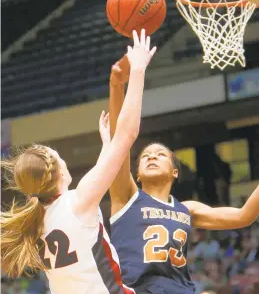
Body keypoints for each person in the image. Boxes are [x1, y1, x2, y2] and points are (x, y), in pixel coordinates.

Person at [1, 30, 156, 294]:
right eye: (60, 157)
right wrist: (139, 70)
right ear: (57, 173)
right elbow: (128, 134)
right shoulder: (77, 201)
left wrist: (107, 148)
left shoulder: (36, 220)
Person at [101, 59, 259, 294]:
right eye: (145, 156)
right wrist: (116, 86)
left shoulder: (188, 209)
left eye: (160, 154)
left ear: (175, 172)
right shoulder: (127, 198)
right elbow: (120, 140)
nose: (151, 157)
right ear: (137, 174)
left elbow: (244, 216)